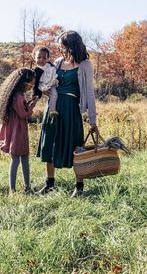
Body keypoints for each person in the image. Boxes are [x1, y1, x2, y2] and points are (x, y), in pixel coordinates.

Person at [36, 31, 99, 197]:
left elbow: (89, 92)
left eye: (63, 45)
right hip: (53, 108)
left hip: (71, 109)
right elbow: (48, 82)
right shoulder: (57, 62)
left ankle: (79, 187)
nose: (60, 48)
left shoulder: (85, 64)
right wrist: (46, 91)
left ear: (72, 45)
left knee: (75, 147)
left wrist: (92, 120)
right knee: (49, 143)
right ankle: (49, 184)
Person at [0, 68, 38, 194]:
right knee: (17, 159)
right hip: (18, 131)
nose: (32, 87)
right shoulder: (18, 96)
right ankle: (13, 189)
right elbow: (23, 113)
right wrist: (32, 105)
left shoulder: (16, 95)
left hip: (18, 130)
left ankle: (25, 187)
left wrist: (28, 102)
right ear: (24, 82)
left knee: (23, 158)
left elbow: (20, 108)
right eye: (31, 84)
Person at [32, 46, 59, 120]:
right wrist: (36, 94)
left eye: (44, 58)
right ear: (34, 58)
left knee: (55, 95)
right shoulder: (36, 70)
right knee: (53, 94)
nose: (41, 60)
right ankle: (52, 110)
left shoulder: (50, 65)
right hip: (43, 85)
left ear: (47, 59)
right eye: (39, 57)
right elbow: (36, 84)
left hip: (52, 83)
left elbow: (55, 72)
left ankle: (52, 109)